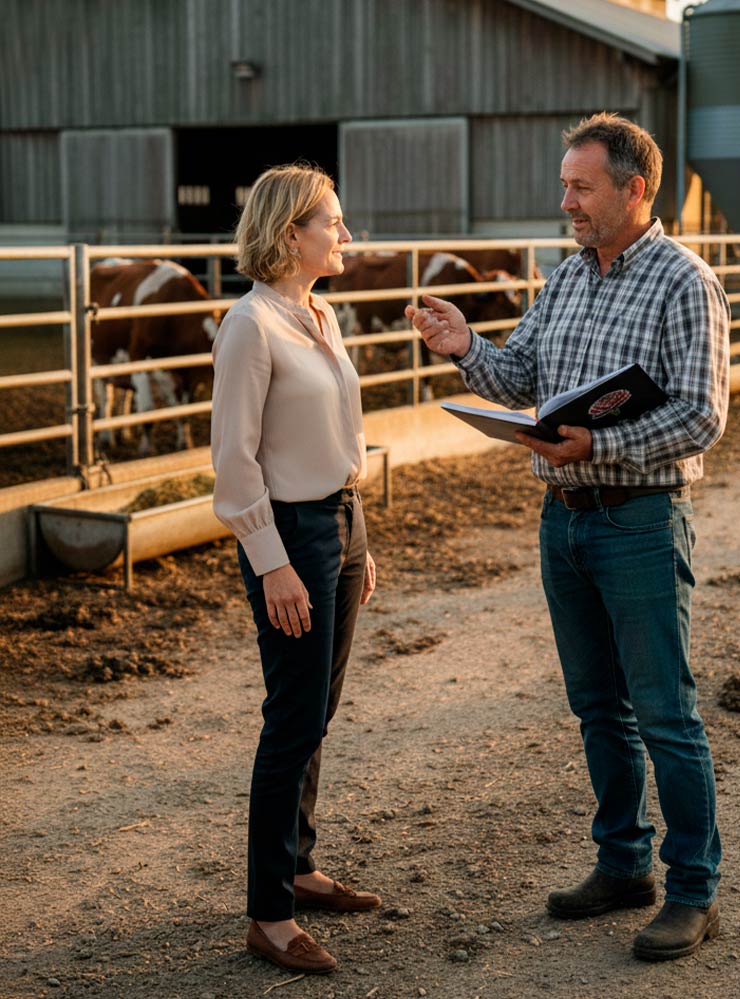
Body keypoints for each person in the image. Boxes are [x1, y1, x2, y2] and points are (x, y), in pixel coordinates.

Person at [405, 113, 729, 963]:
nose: (567, 202)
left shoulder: (684, 281)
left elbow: (702, 415)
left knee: (665, 712)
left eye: (581, 187)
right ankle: (623, 863)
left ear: (634, 188)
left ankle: (693, 889)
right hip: (565, 519)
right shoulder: (567, 279)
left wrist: (598, 445)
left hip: (640, 519)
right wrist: (465, 346)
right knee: (598, 707)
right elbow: (522, 375)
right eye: (565, 186)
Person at [211, 163, 380, 975]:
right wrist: (271, 562)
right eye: (332, 222)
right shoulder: (250, 324)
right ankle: (269, 913)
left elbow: (339, 435)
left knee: (319, 709)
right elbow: (234, 460)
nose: (345, 234)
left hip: (340, 524)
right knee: (291, 718)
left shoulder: (321, 313)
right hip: (289, 535)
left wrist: (360, 540)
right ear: (290, 234)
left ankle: (300, 865)